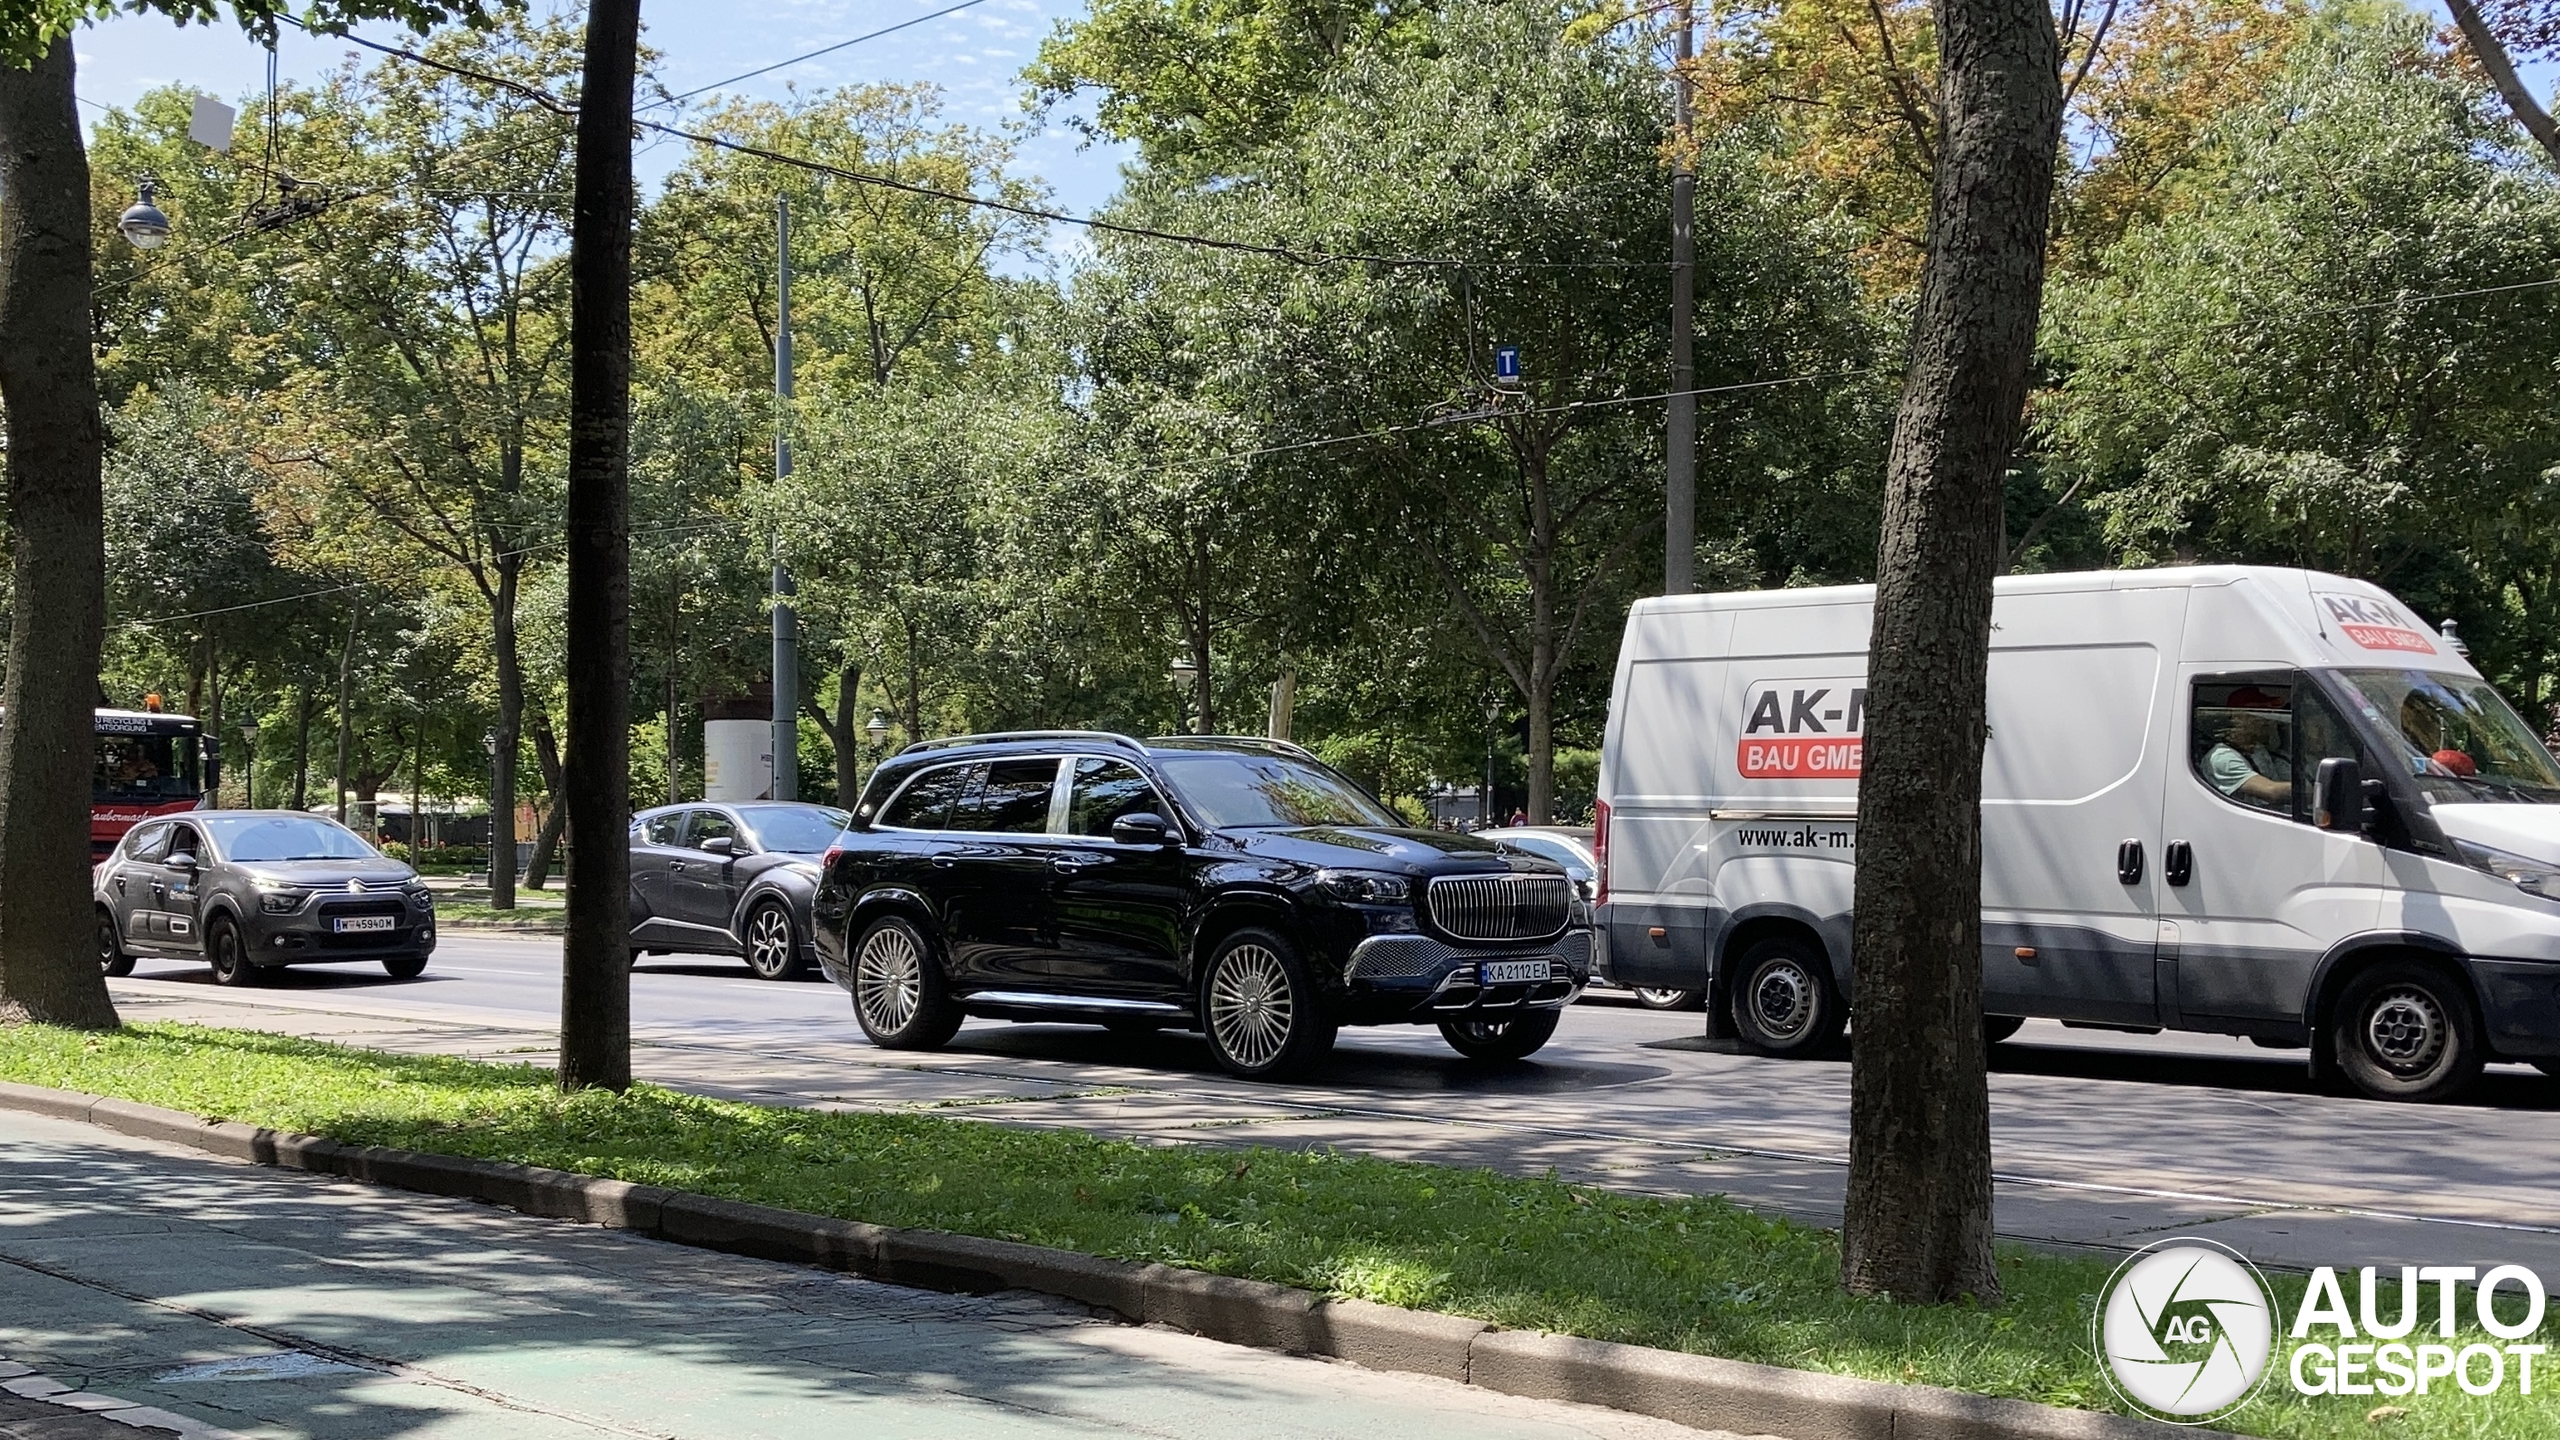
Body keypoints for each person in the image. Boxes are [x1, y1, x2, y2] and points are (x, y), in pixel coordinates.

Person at [2203, 705, 2290, 809]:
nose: (2267, 722)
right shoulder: (2223, 758)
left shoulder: (2258, 749)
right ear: (2238, 718)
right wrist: (2310, 793)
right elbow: (2271, 792)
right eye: (2259, 716)